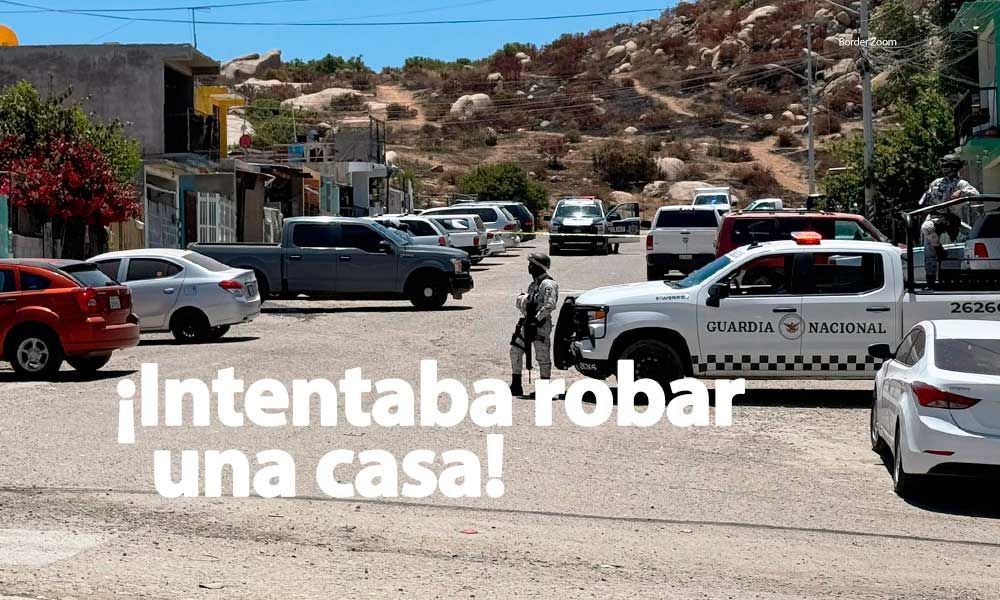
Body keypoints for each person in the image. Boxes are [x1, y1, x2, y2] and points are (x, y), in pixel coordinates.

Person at [918, 154, 978, 287]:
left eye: (947, 165)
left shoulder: (961, 183)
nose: (943, 168)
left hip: (950, 219)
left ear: (954, 167)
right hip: (934, 217)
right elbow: (924, 199)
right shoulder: (936, 182)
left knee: (965, 243)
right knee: (928, 245)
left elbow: (975, 194)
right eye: (943, 165)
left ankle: (955, 275)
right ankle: (931, 280)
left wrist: (961, 193)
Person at [509, 253, 559, 397]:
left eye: (531, 264)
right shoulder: (534, 284)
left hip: (541, 325)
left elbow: (549, 305)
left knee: (542, 356)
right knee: (515, 350)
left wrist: (536, 321)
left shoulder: (548, 284)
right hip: (528, 323)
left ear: (538, 266)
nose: (529, 267)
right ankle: (516, 385)